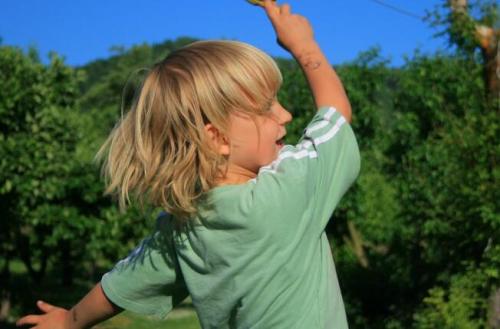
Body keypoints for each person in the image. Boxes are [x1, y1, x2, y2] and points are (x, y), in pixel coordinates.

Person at [16, 0, 360, 328]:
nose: (285, 114)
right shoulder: (289, 189)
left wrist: (69, 321)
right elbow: (336, 114)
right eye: (266, 107)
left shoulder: (183, 226)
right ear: (218, 138)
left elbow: (118, 286)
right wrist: (304, 45)